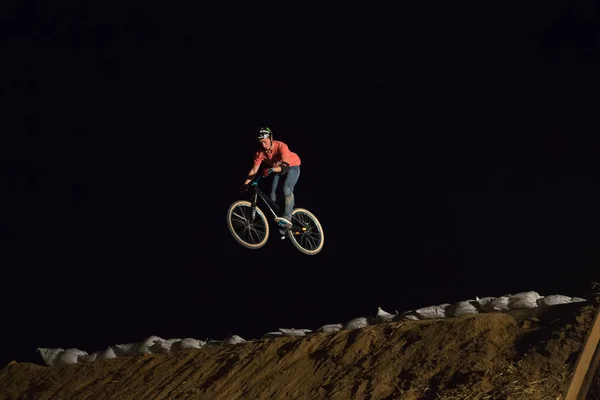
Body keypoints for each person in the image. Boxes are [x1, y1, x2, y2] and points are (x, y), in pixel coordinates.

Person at [242, 127, 301, 228]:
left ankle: (287, 217)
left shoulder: (281, 146)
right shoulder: (259, 153)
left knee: (286, 188)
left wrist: (271, 170)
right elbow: (254, 170)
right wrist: (245, 184)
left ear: (271, 138)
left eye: (265, 142)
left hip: (292, 167)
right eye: (261, 143)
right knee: (272, 196)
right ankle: (283, 224)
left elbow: (285, 167)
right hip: (276, 170)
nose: (263, 145)